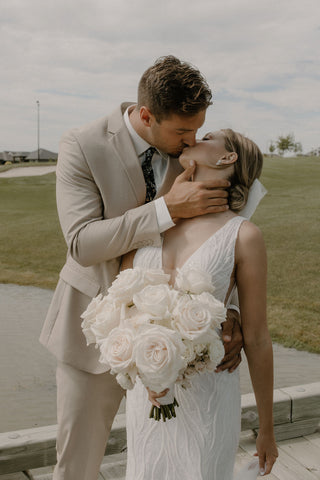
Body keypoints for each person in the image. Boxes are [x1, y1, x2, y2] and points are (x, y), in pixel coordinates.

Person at [39, 56, 243, 479]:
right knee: (77, 464)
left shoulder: (190, 151)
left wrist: (231, 310)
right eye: (182, 131)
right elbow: (81, 244)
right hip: (93, 333)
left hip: (177, 342)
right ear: (146, 115)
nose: (191, 142)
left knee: (165, 460)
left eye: (197, 128)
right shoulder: (82, 143)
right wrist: (165, 209)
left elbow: (218, 237)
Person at [122, 129, 278, 479]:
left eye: (207, 136)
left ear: (227, 158)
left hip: (208, 392)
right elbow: (124, 297)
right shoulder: (155, 219)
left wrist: (266, 428)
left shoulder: (243, 236)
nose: (192, 138)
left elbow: (257, 338)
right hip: (147, 392)